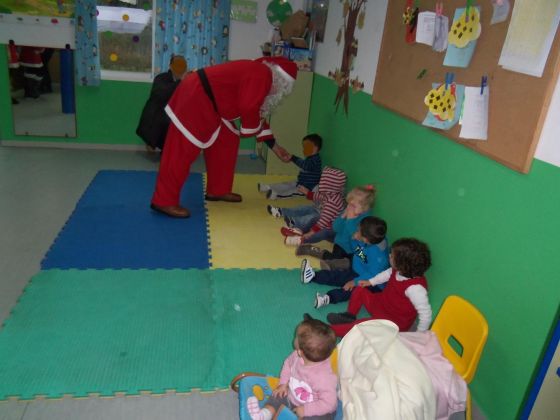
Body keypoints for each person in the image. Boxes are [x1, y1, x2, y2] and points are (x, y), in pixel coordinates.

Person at [150, 57, 298, 218]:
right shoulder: (262, 75)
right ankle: (164, 201)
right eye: (283, 88)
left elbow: (256, 113)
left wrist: (275, 147)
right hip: (196, 96)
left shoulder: (260, 74)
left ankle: (218, 190)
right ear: (279, 79)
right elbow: (249, 107)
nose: (279, 93)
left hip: (211, 102)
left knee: (227, 139)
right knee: (181, 150)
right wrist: (251, 128)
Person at [327, 237, 432, 337]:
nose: (389, 255)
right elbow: (386, 274)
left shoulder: (416, 288)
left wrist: (419, 335)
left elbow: (425, 315)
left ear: (402, 264)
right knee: (360, 289)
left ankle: (328, 331)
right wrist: (370, 282)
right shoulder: (399, 270)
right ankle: (349, 316)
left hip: (393, 321)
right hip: (381, 303)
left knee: (362, 325)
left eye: (392, 256)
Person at [245, 318, 338, 420]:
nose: (295, 338)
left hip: (316, 409)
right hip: (291, 396)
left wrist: (306, 410)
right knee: (277, 395)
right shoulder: (296, 356)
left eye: (296, 337)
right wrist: (283, 384)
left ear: (300, 351)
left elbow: (330, 404)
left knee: (320, 418)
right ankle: (264, 414)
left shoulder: (324, 378)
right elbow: (288, 365)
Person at [300, 216, 390, 309]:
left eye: (358, 230)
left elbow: (372, 275)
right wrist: (354, 240)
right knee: (338, 276)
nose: (356, 231)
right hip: (359, 271)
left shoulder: (379, 256)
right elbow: (358, 252)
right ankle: (312, 276)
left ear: (366, 239)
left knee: (351, 290)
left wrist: (354, 282)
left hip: (372, 283)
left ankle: (328, 298)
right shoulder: (372, 238)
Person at [296, 185, 376, 268]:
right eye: (349, 204)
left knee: (354, 264)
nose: (349, 207)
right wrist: (342, 217)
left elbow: (355, 236)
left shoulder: (365, 220)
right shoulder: (349, 212)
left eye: (353, 206)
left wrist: (350, 220)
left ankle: (319, 254)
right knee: (335, 260)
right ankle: (312, 250)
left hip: (355, 249)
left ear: (365, 208)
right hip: (340, 244)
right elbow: (335, 228)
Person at [267, 167, 346, 246]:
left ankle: (301, 238)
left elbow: (323, 222)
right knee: (304, 208)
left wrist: (310, 233)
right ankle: (281, 212)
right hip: (320, 213)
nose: (321, 182)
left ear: (330, 185)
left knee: (319, 230)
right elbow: (317, 196)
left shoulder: (333, 202)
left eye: (323, 181)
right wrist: (307, 192)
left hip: (330, 228)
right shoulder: (329, 193)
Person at [136, 55, 188, 151]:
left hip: (172, 113)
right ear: (171, 66)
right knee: (166, 122)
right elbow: (161, 93)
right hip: (157, 113)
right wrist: (181, 82)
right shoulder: (161, 78)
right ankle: (153, 144)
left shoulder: (185, 81)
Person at [258, 133, 322, 200]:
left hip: (307, 187)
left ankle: (276, 195)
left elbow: (305, 165)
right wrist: (291, 157)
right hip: (300, 182)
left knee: (291, 192)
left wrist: (293, 158)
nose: (304, 149)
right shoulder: (310, 158)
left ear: (315, 148)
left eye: (306, 147)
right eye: (304, 147)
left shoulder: (316, 159)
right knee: (286, 184)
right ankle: (268, 187)